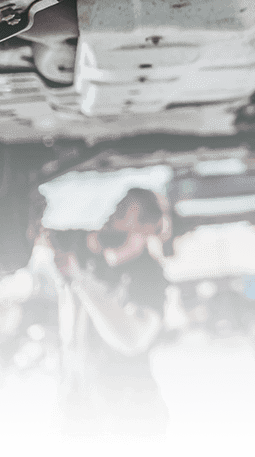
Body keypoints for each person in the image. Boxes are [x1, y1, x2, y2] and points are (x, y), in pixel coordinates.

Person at [48, 188, 173, 444]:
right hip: (79, 397)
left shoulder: (149, 278)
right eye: (115, 208)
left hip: (129, 405)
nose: (111, 217)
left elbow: (132, 338)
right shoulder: (95, 262)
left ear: (148, 228)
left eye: (123, 212)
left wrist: (81, 283)